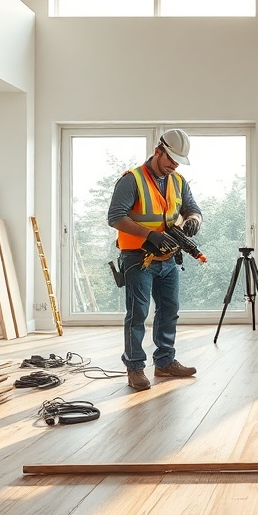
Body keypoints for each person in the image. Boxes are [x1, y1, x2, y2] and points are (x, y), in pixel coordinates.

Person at [108, 129, 203, 391]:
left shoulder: (179, 181)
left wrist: (194, 220)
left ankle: (165, 362)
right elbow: (115, 217)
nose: (173, 165)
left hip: (169, 259)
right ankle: (135, 367)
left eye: (178, 162)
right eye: (170, 159)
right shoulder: (131, 180)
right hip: (138, 259)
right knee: (137, 314)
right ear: (158, 150)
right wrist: (150, 234)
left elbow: (193, 209)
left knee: (169, 310)